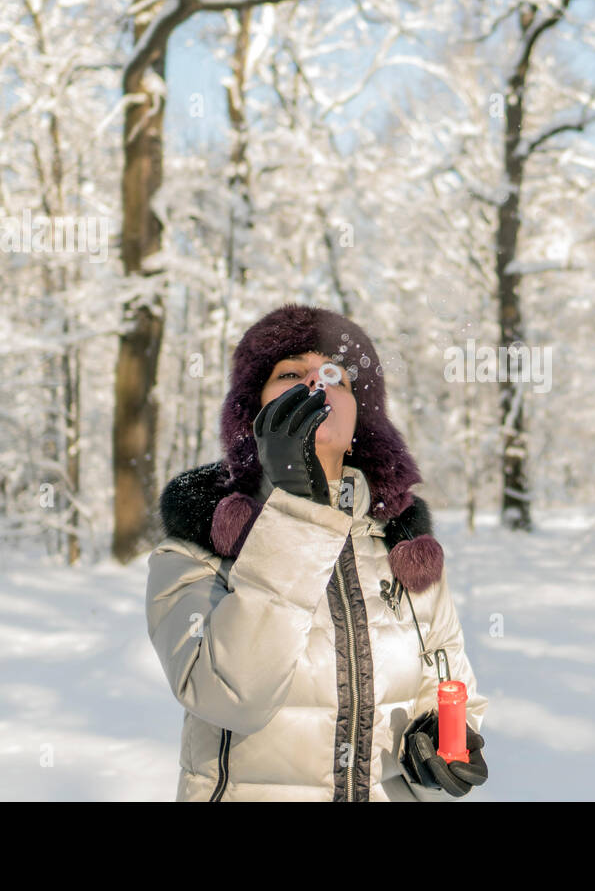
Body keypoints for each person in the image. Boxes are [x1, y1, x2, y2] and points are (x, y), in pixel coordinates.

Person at [145, 302, 489, 801]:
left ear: (359, 425)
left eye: (335, 375)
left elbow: (451, 689)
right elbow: (230, 696)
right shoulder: (202, 544)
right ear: (253, 415)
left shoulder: (404, 550)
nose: (315, 383)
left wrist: (440, 745)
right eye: (289, 373)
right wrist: (297, 509)